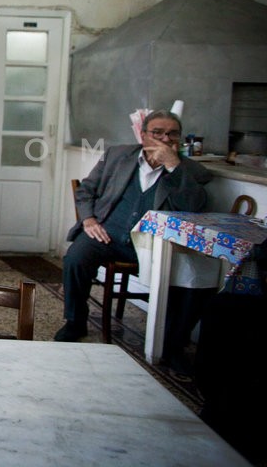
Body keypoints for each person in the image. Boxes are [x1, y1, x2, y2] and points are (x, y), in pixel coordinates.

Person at [57, 110, 213, 354]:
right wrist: (88, 220)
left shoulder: (191, 172)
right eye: (157, 133)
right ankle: (75, 322)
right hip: (106, 234)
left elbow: (194, 207)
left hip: (153, 245)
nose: (165, 139)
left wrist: (173, 166)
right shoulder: (117, 156)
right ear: (143, 135)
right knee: (76, 259)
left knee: (191, 273)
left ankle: (172, 342)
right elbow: (86, 190)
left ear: (180, 139)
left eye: (172, 134)